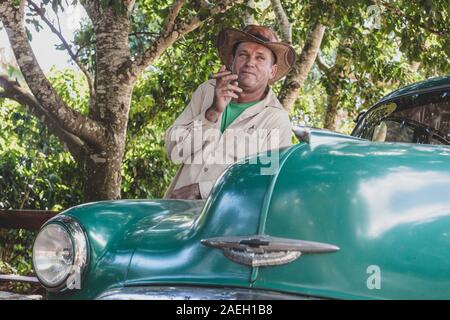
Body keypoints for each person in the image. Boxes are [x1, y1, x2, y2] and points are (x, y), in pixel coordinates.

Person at [164, 25, 296, 199]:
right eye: (243, 55)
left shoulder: (275, 119)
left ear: (272, 71)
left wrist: (203, 190)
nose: (250, 63)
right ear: (232, 61)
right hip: (177, 210)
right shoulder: (207, 91)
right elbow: (174, 151)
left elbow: (265, 181)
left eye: (260, 58)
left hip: (227, 219)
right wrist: (213, 112)